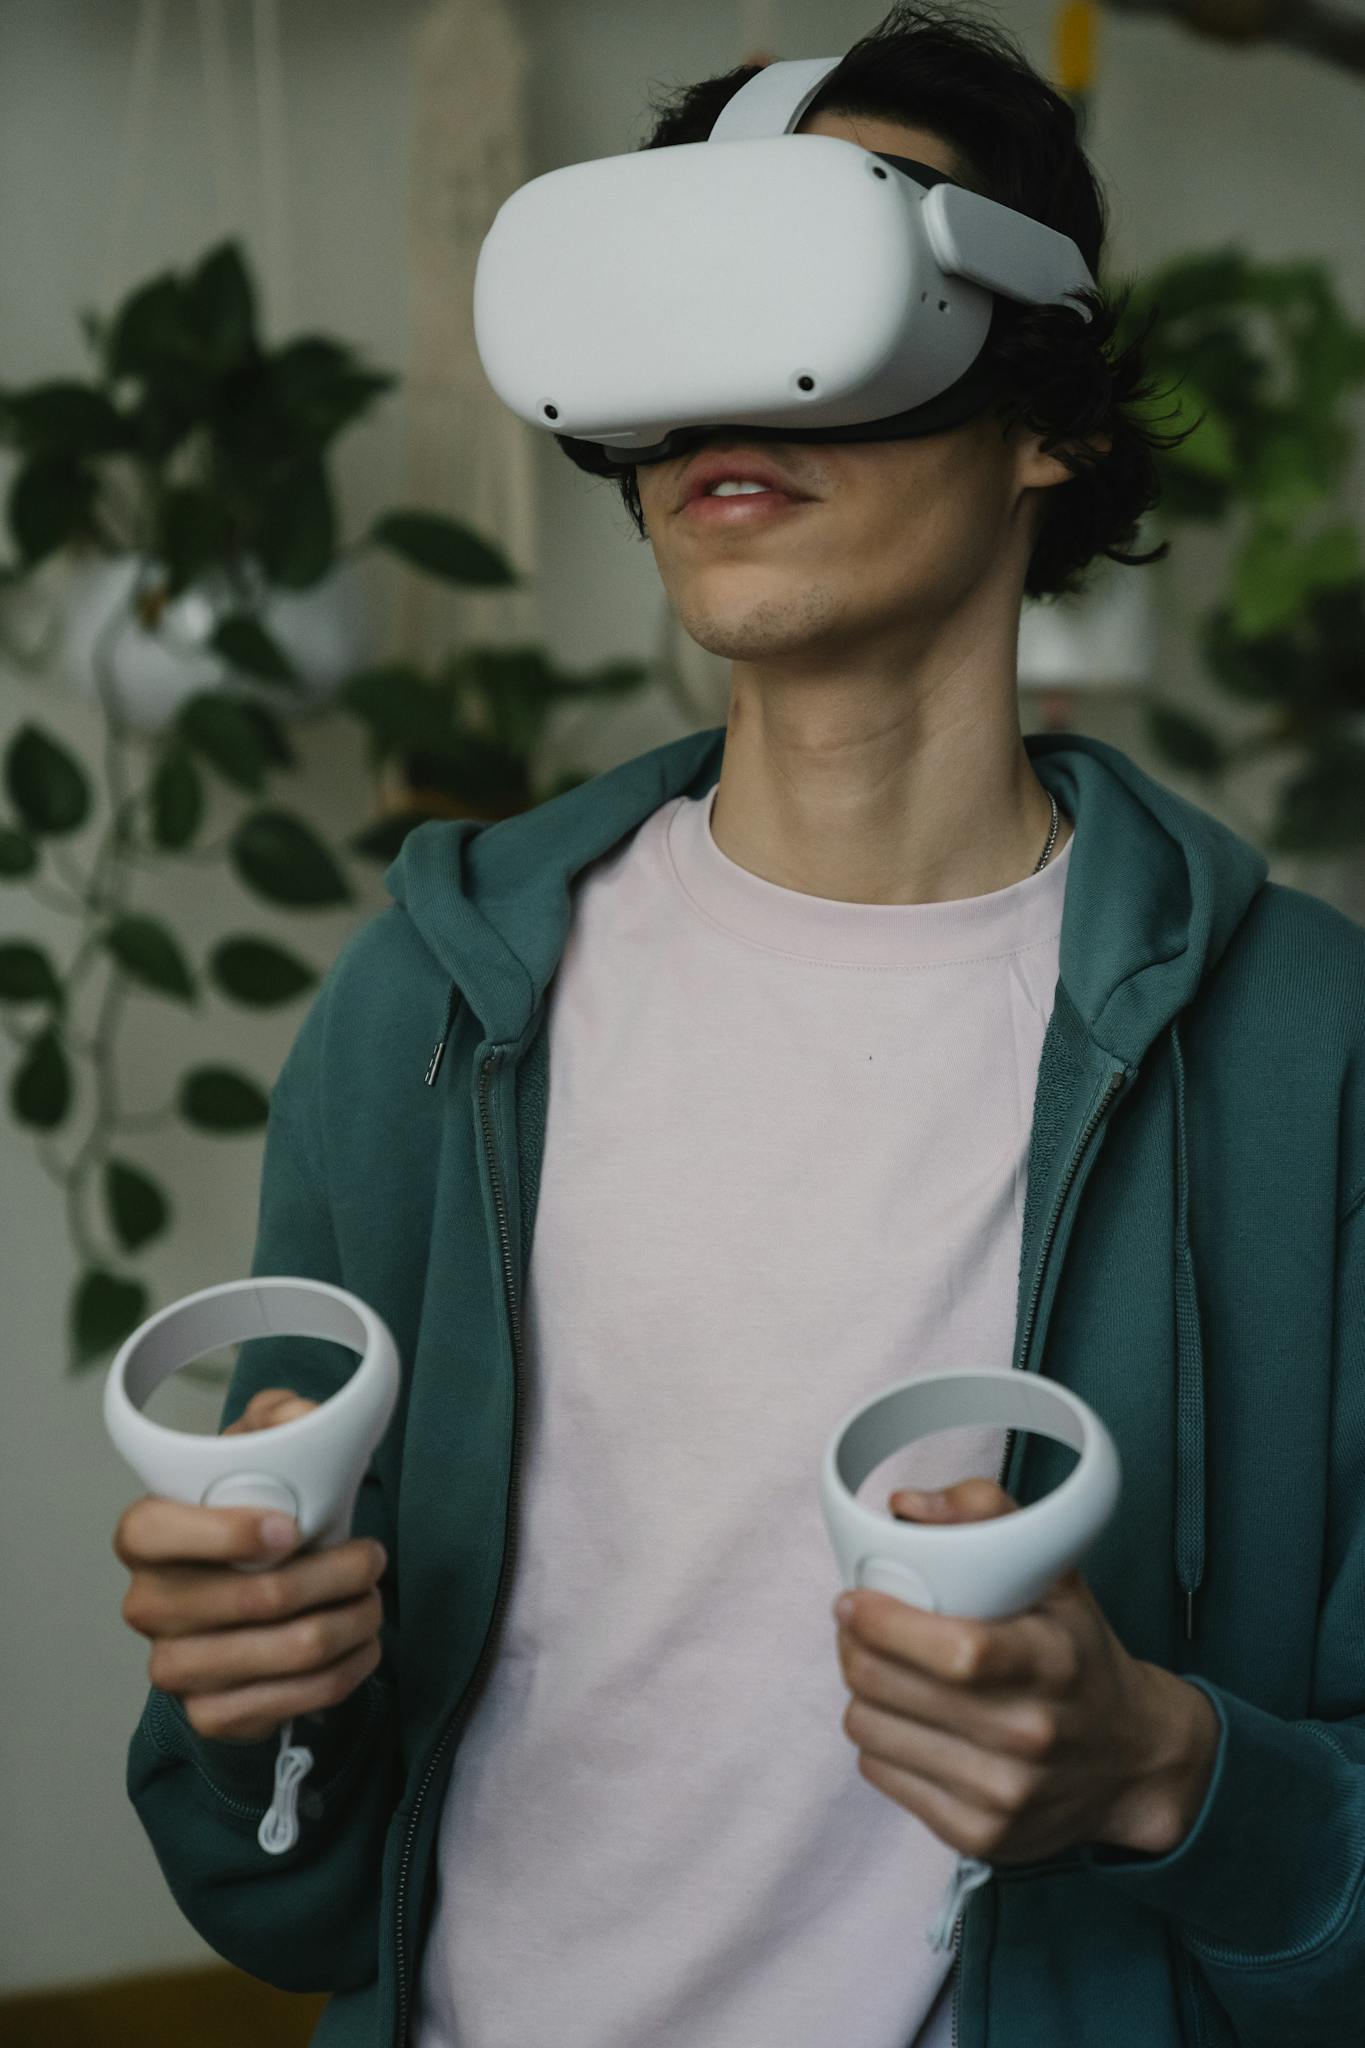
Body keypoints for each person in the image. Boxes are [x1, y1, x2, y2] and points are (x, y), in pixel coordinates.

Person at [113, 8, 1365, 2046]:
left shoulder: (1303, 1054)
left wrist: (1156, 1768)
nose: (719, 394)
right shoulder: (426, 1007)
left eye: (800, 295)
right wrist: (257, 1676)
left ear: (1039, 407)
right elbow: (270, 1878)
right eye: (662, 316)